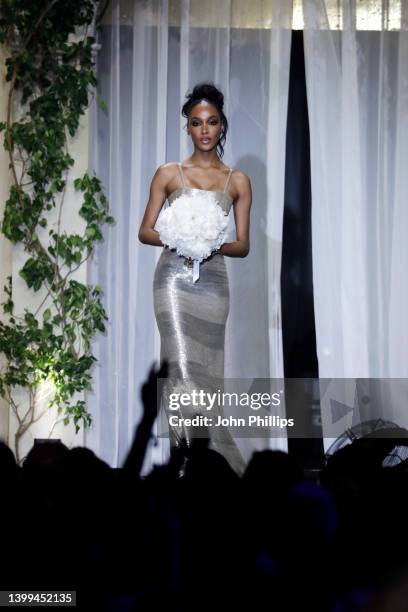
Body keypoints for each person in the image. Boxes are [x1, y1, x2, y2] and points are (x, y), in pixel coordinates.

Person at [138, 82, 252, 475]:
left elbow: (243, 245)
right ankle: (184, 467)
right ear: (187, 127)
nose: (204, 129)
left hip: (214, 283)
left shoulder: (236, 181)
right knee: (180, 370)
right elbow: (145, 231)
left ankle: (218, 472)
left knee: (207, 378)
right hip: (171, 280)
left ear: (222, 126)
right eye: (196, 122)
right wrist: (180, 238)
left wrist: (210, 246)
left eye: (212, 122)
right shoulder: (169, 173)